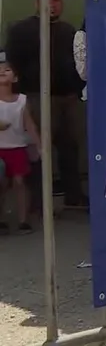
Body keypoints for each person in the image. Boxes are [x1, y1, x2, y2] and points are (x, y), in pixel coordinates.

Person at [5, 0, 87, 208]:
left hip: (68, 98)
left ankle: (74, 196)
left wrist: (76, 90)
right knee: (40, 150)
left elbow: (79, 62)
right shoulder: (21, 30)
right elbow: (14, 63)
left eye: (57, 0)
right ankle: (39, 203)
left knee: (70, 148)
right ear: (36, 3)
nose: (52, 5)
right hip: (37, 96)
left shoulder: (69, 31)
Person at [0, 52, 42, 234]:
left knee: (19, 183)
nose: (2, 72)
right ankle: (1, 219)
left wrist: (38, 145)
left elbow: (29, 124)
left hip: (17, 147)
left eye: (7, 70)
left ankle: (23, 220)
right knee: (2, 185)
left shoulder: (22, 100)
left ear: (15, 77)